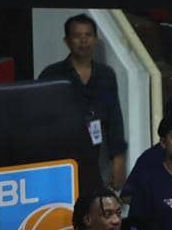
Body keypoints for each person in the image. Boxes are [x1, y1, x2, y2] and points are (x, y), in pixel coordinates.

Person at [38, 15, 127, 192]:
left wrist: (118, 159)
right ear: (67, 41)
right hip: (64, 150)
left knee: (98, 202)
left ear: (96, 39)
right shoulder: (52, 75)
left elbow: (114, 118)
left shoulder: (106, 75)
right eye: (77, 36)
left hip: (98, 148)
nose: (83, 40)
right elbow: (42, 122)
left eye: (88, 35)